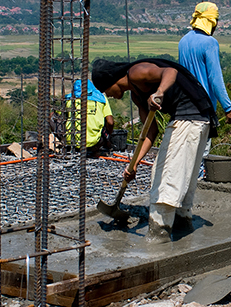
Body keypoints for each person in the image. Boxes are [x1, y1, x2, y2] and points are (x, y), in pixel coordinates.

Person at [92, 58, 218, 242]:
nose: (107, 95)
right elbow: (150, 131)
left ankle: (159, 235)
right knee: (181, 177)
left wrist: (158, 93)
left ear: (112, 80)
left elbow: (170, 72)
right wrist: (133, 164)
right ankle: (182, 224)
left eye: (105, 90)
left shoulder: (136, 72)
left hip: (189, 117)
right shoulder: (136, 95)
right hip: (197, 120)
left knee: (164, 177)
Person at [178, 1, 231, 128]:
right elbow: (215, 78)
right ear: (211, 22)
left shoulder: (183, 41)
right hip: (203, 107)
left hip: (184, 105)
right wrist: (228, 108)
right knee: (203, 147)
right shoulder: (210, 42)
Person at [64, 79, 113, 157]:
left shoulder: (69, 100)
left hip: (72, 142)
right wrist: (108, 136)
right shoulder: (101, 99)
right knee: (105, 124)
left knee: (53, 116)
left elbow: (62, 116)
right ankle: (98, 148)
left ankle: (66, 145)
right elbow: (110, 122)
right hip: (94, 143)